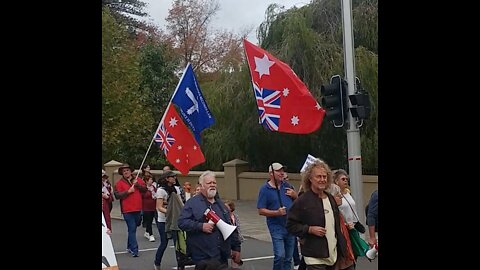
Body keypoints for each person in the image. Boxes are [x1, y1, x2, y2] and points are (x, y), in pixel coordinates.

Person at [286, 159, 348, 270]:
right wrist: (309, 229)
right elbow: (290, 225)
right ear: (310, 179)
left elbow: (335, 225)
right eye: (318, 177)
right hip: (314, 257)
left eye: (324, 177)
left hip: (332, 256)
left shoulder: (330, 199)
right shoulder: (303, 201)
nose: (322, 180)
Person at [178, 170, 242, 269]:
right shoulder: (192, 203)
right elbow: (182, 222)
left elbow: (231, 227)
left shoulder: (221, 205)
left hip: (221, 256)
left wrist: (236, 248)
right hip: (203, 257)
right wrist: (201, 226)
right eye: (209, 183)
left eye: (214, 183)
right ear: (202, 186)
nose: (212, 185)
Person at [257, 162, 297, 270]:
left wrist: (295, 195)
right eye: (278, 171)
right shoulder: (265, 190)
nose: (282, 173)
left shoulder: (287, 186)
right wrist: (276, 213)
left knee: (288, 258)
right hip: (276, 226)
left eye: (282, 170)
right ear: (271, 173)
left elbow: (297, 203)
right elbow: (261, 210)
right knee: (280, 255)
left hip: (290, 225)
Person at [114, 163, 147, 257]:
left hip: (138, 208)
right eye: (124, 171)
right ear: (122, 173)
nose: (126, 172)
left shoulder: (138, 180)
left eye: (127, 170)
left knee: (134, 227)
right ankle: (134, 249)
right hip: (127, 210)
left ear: (130, 171)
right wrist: (128, 192)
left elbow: (145, 189)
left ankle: (129, 246)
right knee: (132, 228)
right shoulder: (119, 183)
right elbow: (117, 195)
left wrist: (137, 185)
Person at [154, 170, 183, 270]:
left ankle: (180, 264)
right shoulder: (161, 191)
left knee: (178, 243)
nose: (175, 178)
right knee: (164, 242)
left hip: (175, 220)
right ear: (167, 179)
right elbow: (159, 207)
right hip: (163, 221)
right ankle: (157, 262)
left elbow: (179, 203)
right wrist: (170, 212)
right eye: (172, 176)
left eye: (175, 176)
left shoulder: (176, 189)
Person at [283, 172, 301, 270]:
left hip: (292, 220)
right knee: (281, 250)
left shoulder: (291, 188)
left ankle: (297, 261)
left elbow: (298, 203)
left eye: (287, 178)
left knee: (293, 241)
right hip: (280, 222)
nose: (286, 180)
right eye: (284, 178)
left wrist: (295, 195)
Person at [141, 171, 157, 242]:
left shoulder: (153, 187)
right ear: (146, 181)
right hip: (146, 206)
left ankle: (147, 232)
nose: (152, 181)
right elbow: (143, 196)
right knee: (148, 221)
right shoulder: (144, 188)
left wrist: (154, 193)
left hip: (153, 206)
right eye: (150, 179)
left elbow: (156, 194)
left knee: (150, 220)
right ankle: (151, 234)